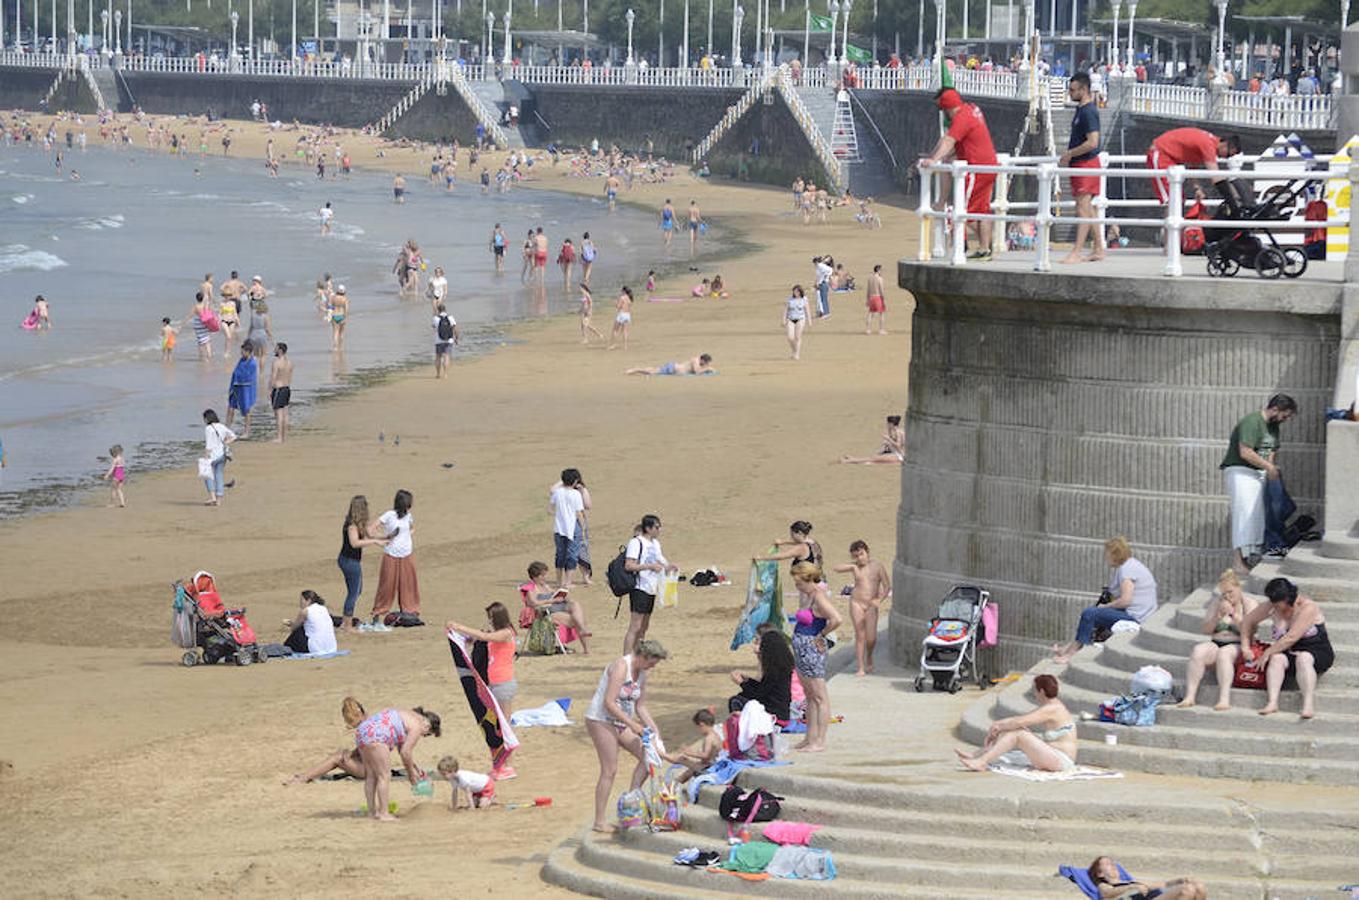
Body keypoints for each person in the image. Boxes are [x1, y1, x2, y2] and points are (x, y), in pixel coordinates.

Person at [584, 640, 668, 832]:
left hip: (622, 721)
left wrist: (656, 731)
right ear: (642, 656)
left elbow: (640, 706)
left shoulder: (642, 674)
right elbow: (609, 702)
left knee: (648, 757)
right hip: (601, 719)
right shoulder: (622, 667)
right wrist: (633, 725)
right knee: (610, 769)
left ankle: (631, 803)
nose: (652, 667)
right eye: (651, 663)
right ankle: (599, 821)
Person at [918, 88, 1000, 259]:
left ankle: (961, 248)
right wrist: (935, 156)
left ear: (947, 108)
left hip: (976, 168)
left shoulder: (961, 118)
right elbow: (956, 140)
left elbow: (948, 140)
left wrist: (933, 160)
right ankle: (985, 248)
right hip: (989, 166)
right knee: (981, 210)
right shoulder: (971, 109)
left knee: (961, 210)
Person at [1220, 394, 1297, 575]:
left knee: (1265, 513)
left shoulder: (1274, 427)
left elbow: (1271, 452)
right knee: (1244, 515)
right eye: (1284, 416)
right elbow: (1245, 451)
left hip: (1260, 472)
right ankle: (1238, 561)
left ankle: (1263, 550)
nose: (1285, 420)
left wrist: (1269, 470)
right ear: (1275, 409)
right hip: (1241, 471)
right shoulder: (1252, 421)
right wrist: (1268, 467)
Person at [1051, 537, 1159, 664]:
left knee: (1090, 613)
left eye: (1107, 554)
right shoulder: (1132, 564)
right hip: (1142, 614)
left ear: (1115, 555)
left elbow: (1126, 600)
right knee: (1094, 614)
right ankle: (1069, 647)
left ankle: (1071, 654)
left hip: (1137, 618)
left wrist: (1106, 606)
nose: (1105, 557)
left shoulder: (1126, 570)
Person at [1238, 577, 1333, 719]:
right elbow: (1247, 621)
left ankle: (1308, 704)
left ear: (1287, 598)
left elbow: (1292, 637)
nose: (1274, 606)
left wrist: (1267, 652)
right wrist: (1245, 647)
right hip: (1288, 652)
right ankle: (1272, 702)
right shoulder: (1271, 605)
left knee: (1303, 658)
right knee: (1276, 659)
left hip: (1316, 651)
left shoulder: (1308, 607)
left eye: (1277, 603)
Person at [955, 673, 1076, 771]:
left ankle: (982, 762)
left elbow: (1020, 721)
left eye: (1035, 690)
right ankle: (977, 755)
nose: (1034, 693)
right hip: (1054, 754)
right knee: (1015, 730)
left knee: (1018, 734)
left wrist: (997, 725)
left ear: (1042, 691)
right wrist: (999, 726)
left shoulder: (1052, 709)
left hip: (1062, 760)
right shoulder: (1051, 706)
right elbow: (1019, 720)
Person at [1176, 570, 1256, 711]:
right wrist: (1217, 617)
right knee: (1198, 650)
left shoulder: (1249, 603)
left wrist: (1233, 614)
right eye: (1224, 593)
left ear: (1239, 588)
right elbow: (1206, 630)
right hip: (1216, 642)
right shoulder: (1216, 603)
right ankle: (1190, 696)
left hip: (1238, 644)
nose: (1227, 596)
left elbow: (1250, 631)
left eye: (1230, 592)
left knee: (1224, 653)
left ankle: (1224, 698)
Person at [789, 561, 841, 752]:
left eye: (799, 582)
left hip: (812, 649)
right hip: (802, 649)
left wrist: (822, 634)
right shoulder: (807, 594)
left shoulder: (819, 597)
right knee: (809, 697)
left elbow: (837, 618)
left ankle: (820, 740)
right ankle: (809, 738)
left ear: (809, 579)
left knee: (820, 697)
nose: (797, 586)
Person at [353, 707, 441, 821]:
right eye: (426, 734)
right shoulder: (417, 726)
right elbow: (405, 752)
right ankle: (384, 813)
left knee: (371, 775)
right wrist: (411, 775)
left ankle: (371, 812)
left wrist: (415, 769)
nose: (422, 736)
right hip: (378, 736)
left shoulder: (406, 715)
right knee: (384, 776)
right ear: (427, 726)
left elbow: (403, 751)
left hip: (363, 732)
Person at [1059, 73, 1104, 264]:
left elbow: (1093, 142)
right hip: (1081, 164)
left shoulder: (1088, 112)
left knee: (1083, 208)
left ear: (1083, 90)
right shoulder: (1081, 110)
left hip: (1086, 163)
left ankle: (1077, 251)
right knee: (1088, 208)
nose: (1069, 93)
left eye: (1072, 90)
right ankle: (1099, 248)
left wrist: (1070, 153)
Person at [446, 602, 518, 714]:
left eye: (491, 618)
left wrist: (459, 627)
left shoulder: (507, 633)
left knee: (504, 722)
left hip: (504, 683)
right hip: (492, 681)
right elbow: (482, 637)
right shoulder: (496, 633)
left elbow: (485, 636)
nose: (490, 621)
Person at [832, 540, 891, 676]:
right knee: (860, 635)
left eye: (861, 554)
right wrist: (852, 567)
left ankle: (869, 656)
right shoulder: (855, 566)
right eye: (856, 556)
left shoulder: (877, 566)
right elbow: (836, 568)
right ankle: (860, 666)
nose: (860, 558)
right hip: (856, 602)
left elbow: (887, 587)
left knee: (871, 638)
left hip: (871, 604)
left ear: (867, 552)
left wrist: (879, 600)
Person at [623, 515, 678, 655]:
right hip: (640, 587)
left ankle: (638, 654)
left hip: (651, 588)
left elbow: (660, 559)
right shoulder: (636, 542)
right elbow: (629, 565)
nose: (659, 530)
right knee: (635, 625)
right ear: (648, 528)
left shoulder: (655, 544)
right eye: (657, 527)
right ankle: (626, 658)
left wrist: (668, 566)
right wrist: (650, 566)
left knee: (644, 626)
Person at [1147, 127, 1241, 206]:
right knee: (1173, 199)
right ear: (1225, 145)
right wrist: (1231, 201)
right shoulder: (1208, 145)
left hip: (1168, 157)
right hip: (1161, 154)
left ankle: (1172, 227)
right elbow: (1215, 177)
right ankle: (1169, 227)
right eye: (1228, 155)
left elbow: (1192, 166)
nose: (1225, 158)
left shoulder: (1208, 142)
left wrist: (1197, 188)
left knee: (1178, 199)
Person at [520, 560, 593, 653]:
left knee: (575, 604)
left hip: (557, 607)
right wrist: (552, 600)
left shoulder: (546, 586)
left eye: (545, 575)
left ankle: (583, 630)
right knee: (577, 620)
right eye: (542, 575)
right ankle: (586, 647)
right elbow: (533, 603)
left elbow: (555, 594)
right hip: (545, 614)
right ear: (534, 577)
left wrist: (563, 595)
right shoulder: (531, 589)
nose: (545, 577)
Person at [337, 495, 386, 631]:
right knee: (353, 592)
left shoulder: (358, 524)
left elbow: (369, 534)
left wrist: (384, 538)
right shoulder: (352, 525)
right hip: (349, 561)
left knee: (357, 591)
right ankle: (347, 624)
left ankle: (344, 623)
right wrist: (375, 542)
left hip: (349, 561)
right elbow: (355, 543)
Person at [370, 489, 420, 620]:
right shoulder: (389, 515)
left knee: (408, 584)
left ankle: (410, 609)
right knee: (387, 585)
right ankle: (379, 611)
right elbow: (371, 529)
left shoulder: (409, 516)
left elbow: (412, 528)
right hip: (391, 554)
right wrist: (385, 537)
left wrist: (407, 535)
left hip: (406, 554)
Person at [729, 625, 795, 722]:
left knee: (736, 701)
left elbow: (759, 694)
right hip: (779, 710)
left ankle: (740, 729)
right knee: (742, 696)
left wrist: (742, 683)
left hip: (775, 714)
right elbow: (763, 687)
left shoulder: (774, 670)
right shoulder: (779, 665)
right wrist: (748, 680)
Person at [1085, 856, 1207, 900]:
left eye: (1113, 863)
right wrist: (1131, 887)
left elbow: (1162, 884)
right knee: (1187, 890)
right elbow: (1108, 893)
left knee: (1198, 886)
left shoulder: (1130, 881)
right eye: (1107, 864)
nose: (1113, 866)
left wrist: (1180, 880)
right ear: (1100, 874)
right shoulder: (1103, 885)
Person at [549, 468, 591, 588]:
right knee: (572, 555)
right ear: (575, 481)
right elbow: (579, 513)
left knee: (560, 554)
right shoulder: (576, 494)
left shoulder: (557, 493)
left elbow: (550, 509)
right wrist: (583, 528)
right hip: (573, 528)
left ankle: (559, 581)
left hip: (558, 528)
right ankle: (568, 582)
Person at [660, 710, 723, 783]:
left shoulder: (709, 738)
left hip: (709, 768)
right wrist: (692, 752)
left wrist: (689, 753)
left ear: (702, 725)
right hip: (711, 766)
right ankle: (674, 784)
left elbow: (705, 755)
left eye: (698, 728)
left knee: (682, 759)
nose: (699, 731)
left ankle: (662, 754)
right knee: (689, 771)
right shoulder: (716, 735)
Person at [754, 521, 823, 573]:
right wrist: (783, 542)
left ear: (799, 533)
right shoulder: (813, 542)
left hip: (810, 585)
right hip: (820, 580)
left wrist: (762, 558)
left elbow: (782, 556)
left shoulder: (801, 548)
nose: (791, 537)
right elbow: (799, 542)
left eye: (792, 534)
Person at [284, 590, 339, 655]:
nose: (300, 603)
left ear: (309, 600)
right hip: (331, 647)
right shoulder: (323, 608)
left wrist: (291, 624)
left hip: (315, 648)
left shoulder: (305, 611)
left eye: (302, 600)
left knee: (296, 633)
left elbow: (294, 628)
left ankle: (286, 647)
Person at [200, 409, 236, 507]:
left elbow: (209, 444)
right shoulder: (222, 426)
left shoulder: (208, 428)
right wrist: (224, 443)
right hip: (222, 455)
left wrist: (206, 456)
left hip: (212, 455)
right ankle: (219, 500)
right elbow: (233, 436)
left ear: (207, 418)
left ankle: (212, 498)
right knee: (219, 475)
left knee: (207, 475)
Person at [840, 414, 906, 465]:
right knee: (874, 459)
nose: (887, 425)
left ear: (891, 424)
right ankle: (852, 459)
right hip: (897, 454)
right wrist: (889, 432)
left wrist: (888, 439)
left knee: (872, 459)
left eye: (888, 424)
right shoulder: (897, 431)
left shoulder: (898, 432)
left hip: (900, 456)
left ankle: (849, 461)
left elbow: (898, 445)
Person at [226, 341, 257, 439]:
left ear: (248, 352)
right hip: (236, 387)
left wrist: (238, 377)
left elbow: (248, 376)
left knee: (246, 410)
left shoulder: (252, 363)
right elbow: (236, 372)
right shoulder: (241, 360)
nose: (241, 353)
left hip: (246, 389)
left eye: (243, 351)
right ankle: (227, 430)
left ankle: (246, 432)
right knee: (230, 408)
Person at [268, 342, 293, 443]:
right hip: (287, 388)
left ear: (280, 350)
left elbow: (273, 377)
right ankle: (284, 436)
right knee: (285, 414)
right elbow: (290, 376)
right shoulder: (290, 362)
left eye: (276, 348)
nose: (274, 349)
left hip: (278, 389)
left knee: (278, 415)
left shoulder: (276, 362)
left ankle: (279, 437)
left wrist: (269, 389)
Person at [432, 304, 460, 379]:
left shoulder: (435, 318)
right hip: (449, 340)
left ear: (438, 310)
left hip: (438, 340)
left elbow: (434, 328)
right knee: (446, 356)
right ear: (445, 310)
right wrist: (456, 338)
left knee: (438, 357)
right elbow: (455, 329)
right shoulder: (450, 317)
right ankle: (445, 374)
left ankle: (438, 374)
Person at [784, 285, 810, 360]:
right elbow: (786, 309)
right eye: (794, 291)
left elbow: (807, 310)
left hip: (800, 319)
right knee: (790, 337)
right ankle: (794, 350)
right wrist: (784, 319)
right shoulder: (790, 299)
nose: (795, 293)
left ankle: (797, 354)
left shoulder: (804, 299)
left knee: (797, 337)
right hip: (790, 319)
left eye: (797, 291)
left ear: (800, 292)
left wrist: (809, 321)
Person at [625, 354, 714, 376]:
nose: (705, 365)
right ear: (702, 360)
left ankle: (637, 369)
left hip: (673, 368)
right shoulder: (695, 360)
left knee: (654, 370)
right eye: (706, 363)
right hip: (673, 368)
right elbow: (697, 372)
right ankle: (635, 370)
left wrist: (707, 369)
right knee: (652, 372)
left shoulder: (698, 362)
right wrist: (707, 369)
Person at [864, 264, 888, 334]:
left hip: (871, 297)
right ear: (878, 270)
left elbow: (868, 290)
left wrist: (867, 299)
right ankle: (881, 330)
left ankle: (868, 329)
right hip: (878, 297)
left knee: (870, 314)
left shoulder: (870, 278)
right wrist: (883, 300)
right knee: (881, 314)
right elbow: (881, 290)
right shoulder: (880, 279)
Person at [102, 444, 126, 508]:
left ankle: (112, 504)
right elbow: (121, 467)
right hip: (122, 476)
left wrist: (107, 475)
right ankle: (122, 503)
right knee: (119, 489)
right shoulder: (122, 459)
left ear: (114, 453)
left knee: (113, 490)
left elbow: (112, 469)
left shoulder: (115, 460)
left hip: (116, 476)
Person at [330, 285, 349, 351]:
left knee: (335, 333)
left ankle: (335, 347)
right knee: (341, 333)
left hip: (334, 315)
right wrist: (345, 318)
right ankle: (340, 347)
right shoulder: (345, 299)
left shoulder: (333, 298)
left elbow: (331, 307)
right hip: (341, 316)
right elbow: (346, 310)